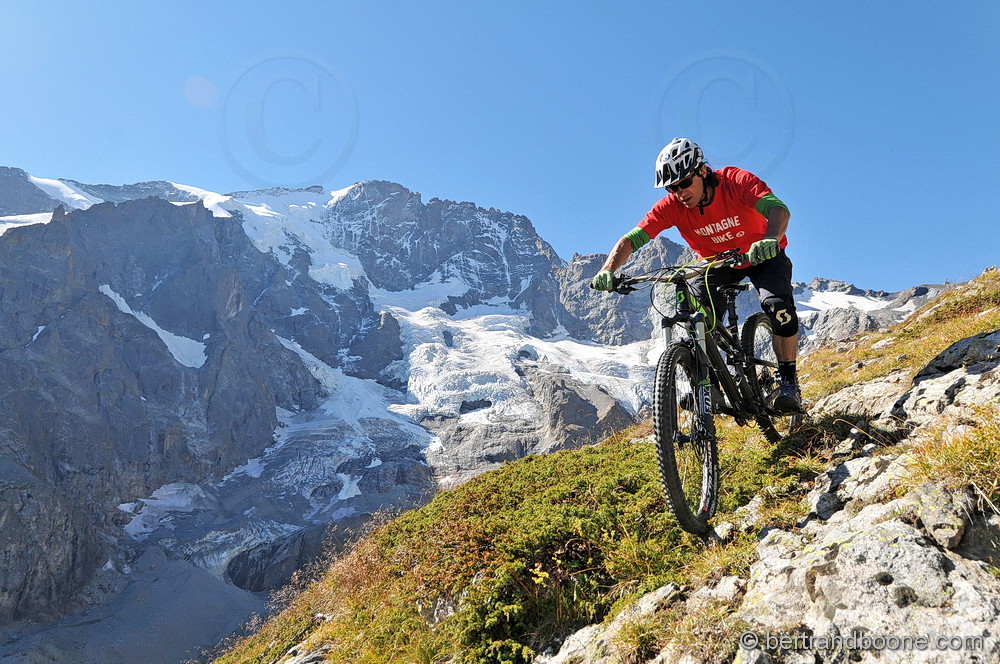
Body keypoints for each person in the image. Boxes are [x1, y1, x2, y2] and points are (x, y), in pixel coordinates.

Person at [590, 137, 802, 413]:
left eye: (684, 183)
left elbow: (777, 208)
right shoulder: (672, 206)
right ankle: (709, 387)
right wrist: (608, 269)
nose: (679, 192)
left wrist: (770, 238)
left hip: (762, 254)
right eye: (672, 187)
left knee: (778, 306)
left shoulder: (734, 181)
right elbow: (634, 238)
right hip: (717, 263)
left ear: (702, 171)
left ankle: (788, 382)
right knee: (696, 316)